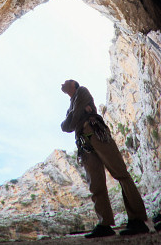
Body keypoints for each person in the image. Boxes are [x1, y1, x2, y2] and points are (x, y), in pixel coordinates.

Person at [61, 79, 149, 239]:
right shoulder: (72, 104)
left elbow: (71, 123)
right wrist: (78, 113)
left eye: (66, 82)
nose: (62, 84)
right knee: (95, 183)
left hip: (95, 132)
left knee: (120, 172)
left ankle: (137, 219)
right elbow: (65, 127)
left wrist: (76, 115)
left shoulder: (82, 92)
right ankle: (105, 224)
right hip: (84, 141)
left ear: (73, 85)